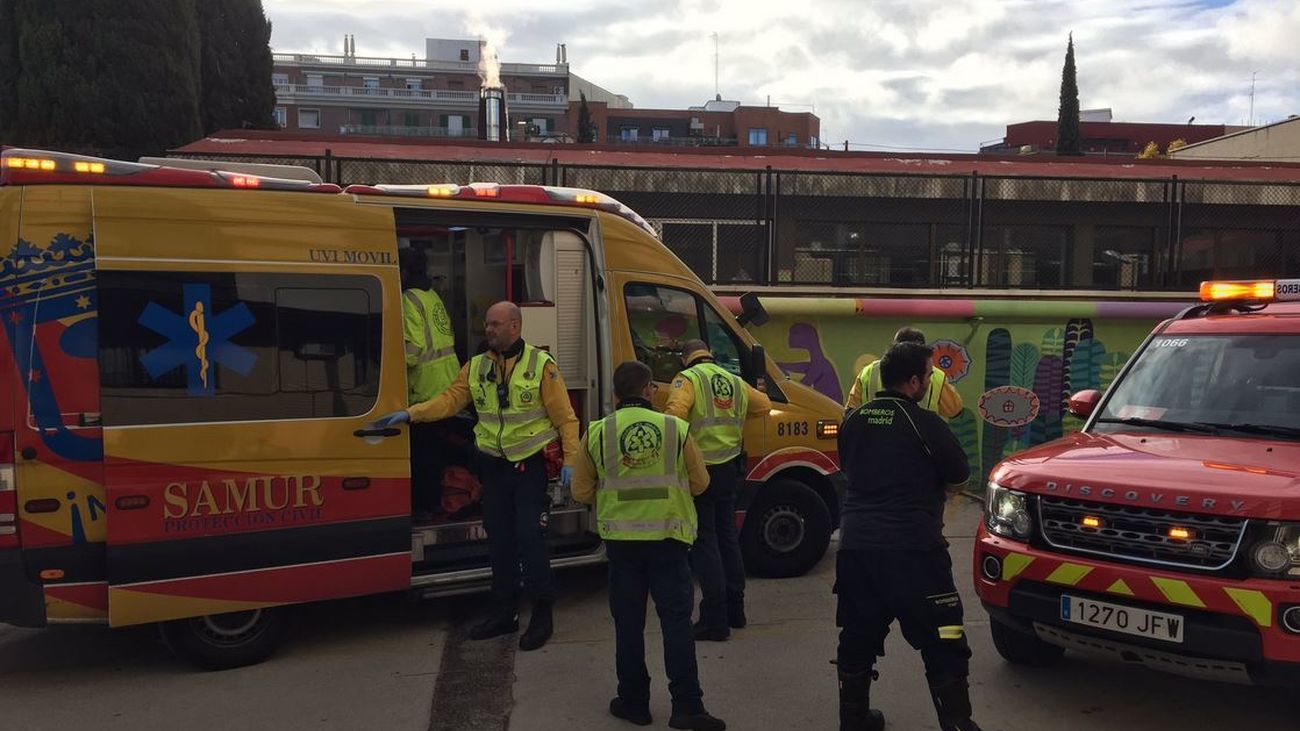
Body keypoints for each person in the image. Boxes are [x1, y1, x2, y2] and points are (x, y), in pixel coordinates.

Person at [376, 301, 579, 651]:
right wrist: (411, 414)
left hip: (528, 467)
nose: (489, 330)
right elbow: (449, 402)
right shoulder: (476, 367)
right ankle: (504, 614)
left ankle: (542, 616)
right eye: (487, 324)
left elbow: (566, 419)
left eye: (495, 324)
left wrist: (571, 461)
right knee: (499, 544)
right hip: (494, 468)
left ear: (515, 326)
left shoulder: (541, 366)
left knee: (531, 542)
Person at [571, 360, 725, 731]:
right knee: (676, 624)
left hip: (622, 546)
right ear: (649, 391)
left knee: (628, 626)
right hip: (669, 540)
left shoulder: (597, 432)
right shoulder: (675, 428)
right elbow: (701, 483)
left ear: (615, 393)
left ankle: (634, 703)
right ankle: (687, 707)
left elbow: (580, 491)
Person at [834, 341, 981, 731]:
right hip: (915, 552)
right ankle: (956, 722)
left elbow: (849, 467)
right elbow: (960, 475)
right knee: (945, 633)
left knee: (857, 635)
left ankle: (853, 720)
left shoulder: (853, 419)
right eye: (930, 375)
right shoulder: (926, 423)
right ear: (914, 381)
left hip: (857, 549)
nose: (932, 380)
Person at [664, 339, 770, 640]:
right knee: (727, 538)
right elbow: (764, 405)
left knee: (705, 543)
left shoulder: (688, 379)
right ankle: (736, 610)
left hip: (701, 472)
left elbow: (673, 419)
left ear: (686, 358)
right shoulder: (733, 381)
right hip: (730, 469)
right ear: (709, 354)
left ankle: (715, 619)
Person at [399, 247, 462, 520]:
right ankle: (436, 502)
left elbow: (411, 353)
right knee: (435, 454)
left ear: (402, 271)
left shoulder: (407, 299)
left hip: (425, 389)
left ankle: (425, 507)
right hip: (448, 383)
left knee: (423, 456)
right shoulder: (431, 295)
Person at [844, 327, 962, 418]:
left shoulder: (868, 372)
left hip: (875, 441)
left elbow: (850, 411)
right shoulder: (935, 375)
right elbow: (954, 410)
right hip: (917, 441)